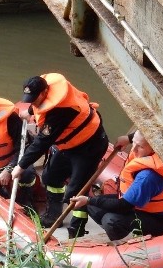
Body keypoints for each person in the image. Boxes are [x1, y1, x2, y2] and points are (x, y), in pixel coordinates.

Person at [10, 73, 109, 237]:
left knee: (76, 192)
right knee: (50, 177)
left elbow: (42, 142)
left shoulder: (62, 111)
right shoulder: (46, 95)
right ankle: (52, 215)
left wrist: (20, 166)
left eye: (34, 98)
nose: (32, 101)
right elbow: (38, 106)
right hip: (69, 144)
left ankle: (76, 230)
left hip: (89, 147)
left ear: (44, 92)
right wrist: (30, 111)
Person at [70, 130, 163, 240]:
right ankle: (75, 233)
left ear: (155, 149)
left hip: (156, 218)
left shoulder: (148, 177)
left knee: (110, 220)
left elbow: (124, 205)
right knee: (92, 205)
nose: (134, 149)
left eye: (140, 146)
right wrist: (128, 138)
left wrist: (88, 200)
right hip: (137, 205)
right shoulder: (143, 152)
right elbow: (143, 133)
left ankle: (123, 246)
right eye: (134, 143)